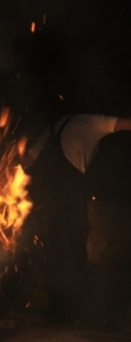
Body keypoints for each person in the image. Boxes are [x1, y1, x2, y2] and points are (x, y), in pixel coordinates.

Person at [22, 113, 131, 323]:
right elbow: (124, 124)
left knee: (59, 250)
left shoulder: (59, 125)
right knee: (72, 249)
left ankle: (61, 311)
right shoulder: (83, 122)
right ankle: (75, 311)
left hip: (54, 196)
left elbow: (27, 160)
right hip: (65, 195)